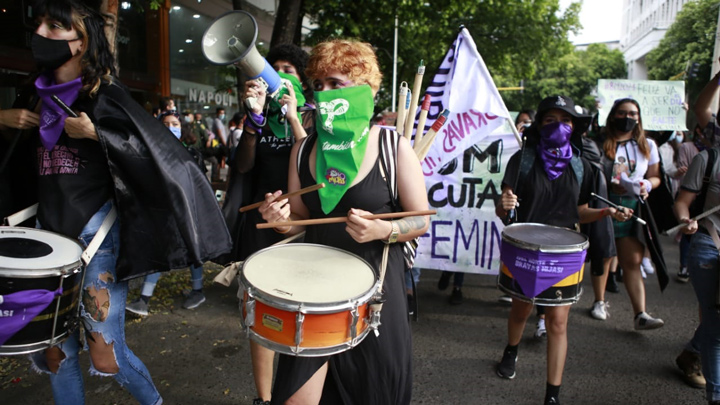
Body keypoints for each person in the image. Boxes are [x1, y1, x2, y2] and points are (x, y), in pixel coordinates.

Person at [0, 1, 230, 403]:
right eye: (38, 24)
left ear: (81, 42)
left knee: (107, 355)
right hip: (45, 242)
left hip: (97, 242)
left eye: (56, 26)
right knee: (56, 351)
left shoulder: (106, 95)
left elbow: (160, 157)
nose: (42, 34)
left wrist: (98, 136)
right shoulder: (31, 97)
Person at [258, 38, 429, 404]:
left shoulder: (391, 147)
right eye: (318, 85)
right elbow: (300, 219)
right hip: (313, 293)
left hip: (376, 295)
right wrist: (281, 220)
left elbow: (420, 221)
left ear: (364, 88)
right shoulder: (303, 149)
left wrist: (384, 229)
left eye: (336, 84)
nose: (324, 93)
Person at [494, 95, 630, 405]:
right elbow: (505, 210)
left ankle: (552, 394)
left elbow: (579, 212)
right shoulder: (523, 160)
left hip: (566, 253)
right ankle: (511, 349)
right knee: (521, 309)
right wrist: (503, 206)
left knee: (557, 322)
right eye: (550, 120)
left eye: (565, 120)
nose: (558, 126)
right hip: (525, 250)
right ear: (539, 126)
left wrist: (605, 213)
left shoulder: (581, 166)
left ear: (575, 127)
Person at [229, 43, 312, 405]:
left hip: (299, 227)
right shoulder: (256, 115)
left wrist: (292, 116)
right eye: (271, 68)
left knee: (301, 312)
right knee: (262, 316)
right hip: (260, 227)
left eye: (287, 70)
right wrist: (254, 122)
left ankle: (297, 391)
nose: (277, 75)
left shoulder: (312, 115)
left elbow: (311, 158)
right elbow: (244, 166)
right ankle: (264, 399)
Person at [125, 111, 208, 316]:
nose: (171, 127)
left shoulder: (192, 153)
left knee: (192, 250)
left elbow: (201, 184)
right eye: (166, 123)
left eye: (175, 123)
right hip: (161, 212)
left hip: (188, 211)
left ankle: (197, 291)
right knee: (161, 250)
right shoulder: (150, 151)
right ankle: (144, 299)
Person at [675, 67, 720, 404]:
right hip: (709, 242)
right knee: (715, 317)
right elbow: (682, 204)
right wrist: (686, 220)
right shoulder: (709, 157)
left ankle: (692, 352)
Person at [602, 98, 664, 330]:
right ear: (613, 115)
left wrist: (647, 184)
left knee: (633, 260)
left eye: (633, 113)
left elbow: (657, 176)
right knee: (601, 257)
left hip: (632, 205)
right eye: (622, 113)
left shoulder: (647, 144)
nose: (628, 118)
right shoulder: (602, 143)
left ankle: (640, 314)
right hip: (604, 204)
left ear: (638, 118)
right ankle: (598, 302)